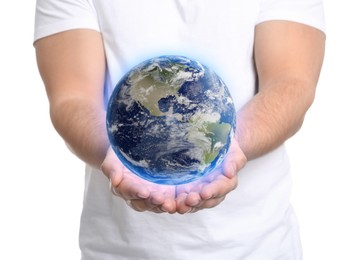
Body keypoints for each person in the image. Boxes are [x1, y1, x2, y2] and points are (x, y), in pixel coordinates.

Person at [34, 0, 325, 259]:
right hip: (117, 249)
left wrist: (229, 148)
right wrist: (113, 154)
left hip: (258, 245)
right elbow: (72, 97)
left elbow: (291, 83)